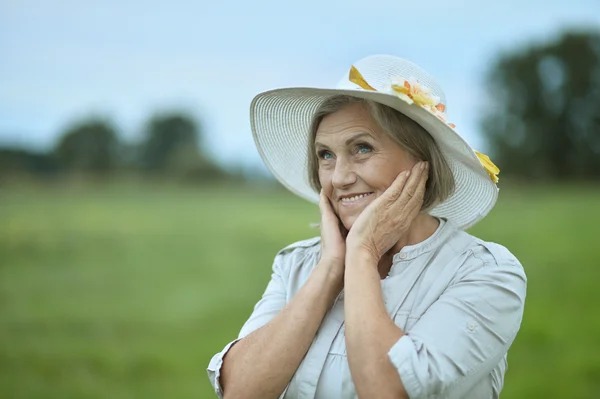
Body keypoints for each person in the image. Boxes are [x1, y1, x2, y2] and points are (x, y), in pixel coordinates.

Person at [207, 54, 527, 399]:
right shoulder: (296, 265)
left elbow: (388, 390)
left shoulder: (485, 272)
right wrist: (331, 268)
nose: (340, 178)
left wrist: (362, 253)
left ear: (424, 163)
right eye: (325, 155)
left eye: (362, 148)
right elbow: (240, 391)